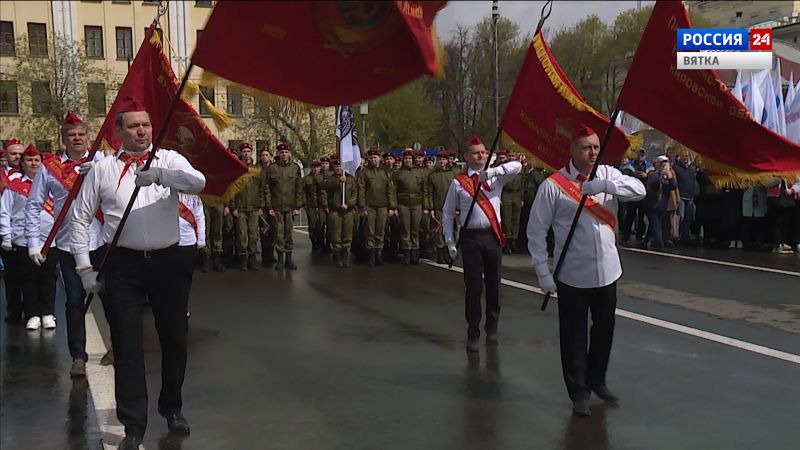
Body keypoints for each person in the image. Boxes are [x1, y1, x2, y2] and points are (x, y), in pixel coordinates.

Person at [71, 98, 206, 447]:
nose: (142, 131)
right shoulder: (103, 169)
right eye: (133, 125)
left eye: (146, 124)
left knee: (174, 338)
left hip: (168, 262)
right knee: (127, 345)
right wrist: (84, 268)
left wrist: (161, 175)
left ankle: (171, 406)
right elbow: (80, 218)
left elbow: (198, 182)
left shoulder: (168, 159)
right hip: (123, 265)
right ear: (119, 131)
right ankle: (133, 426)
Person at [527, 124, 645, 417]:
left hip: (607, 270)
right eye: (586, 147)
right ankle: (578, 391)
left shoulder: (607, 174)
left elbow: (640, 190)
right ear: (572, 150)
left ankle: (597, 379)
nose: (592, 153)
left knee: (604, 329)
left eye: (595, 147)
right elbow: (536, 232)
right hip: (572, 273)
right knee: (574, 335)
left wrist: (606, 187)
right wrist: (543, 273)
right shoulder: (553, 185)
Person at [24, 112, 106, 377]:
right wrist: (34, 243)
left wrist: (100, 173)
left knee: (112, 298)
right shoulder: (49, 168)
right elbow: (33, 205)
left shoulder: (101, 160)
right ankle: (78, 356)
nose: (77, 138)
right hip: (68, 246)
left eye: (81, 134)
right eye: (72, 135)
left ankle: (118, 347)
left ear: (88, 137)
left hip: (100, 241)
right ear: (64, 139)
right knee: (74, 302)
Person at [442, 136, 521, 352]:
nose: (481, 155)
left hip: (492, 236)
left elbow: (518, 166)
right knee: (474, 286)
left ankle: (492, 324)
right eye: (476, 152)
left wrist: (494, 172)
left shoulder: (495, 178)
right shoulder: (459, 182)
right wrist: (449, 241)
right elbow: (447, 213)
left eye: (484, 152)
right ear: (466, 157)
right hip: (471, 239)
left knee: (494, 284)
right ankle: (473, 331)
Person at [1, 144, 58, 332]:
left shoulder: (52, 185)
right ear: (22, 164)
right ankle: (32, 314)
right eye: (29, 160)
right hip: (23, 240)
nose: (33, 163)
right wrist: (6, 235)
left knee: (48, 277)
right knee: (28, 278)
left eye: (36, 160)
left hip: (49, 240)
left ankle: (48, 312)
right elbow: (5, 212)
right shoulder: (14, 186)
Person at [263, 142, 303, 270]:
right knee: (278, 234)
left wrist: (297, 207)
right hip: (277, 208)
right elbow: (267, 189)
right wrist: (269, 207)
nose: (284, 155)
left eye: (286, 152)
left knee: (289, 234)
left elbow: (299, 188)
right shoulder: (272, 168)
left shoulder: (295, 168)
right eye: (281, 152)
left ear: (290, 154)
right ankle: (280, 259)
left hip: (290, 207)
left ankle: (289, 259)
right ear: (278, 154)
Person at [357, 149, 396, 266]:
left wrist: (392, 207)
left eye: (375, 157)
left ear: (380, 158)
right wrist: (362, 207)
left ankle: (379, 255)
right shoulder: (364, 172)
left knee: (380, 231)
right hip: (370, 206)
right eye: (371, 157)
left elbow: (390, 190)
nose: (373, 159)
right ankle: (371, 256)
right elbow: (361, 190)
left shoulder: (385, 172)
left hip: (383, 206)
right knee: (370, 231)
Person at [1, 138, 24, 324]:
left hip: (24, 231)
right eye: (13, 153)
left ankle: (34, 309)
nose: (17, 157)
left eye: (19, 154)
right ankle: (14, 309)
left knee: (30, 273)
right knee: (10, 273)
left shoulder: (32, 174)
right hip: (3, 229)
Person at [231, 143, 264, 271]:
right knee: (242, 235)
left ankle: (252, 259)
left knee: (253, 235)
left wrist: (261, 206)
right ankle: (243, 260)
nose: (246, 154)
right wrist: (233, 207)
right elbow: (232, 190)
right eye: (244, 151)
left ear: (251, 153)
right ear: (241, 153)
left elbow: (262, 189)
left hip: (254, 208)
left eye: (248, 151)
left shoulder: (257, 170)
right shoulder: (237, 169)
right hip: (241, 208)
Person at [320, 158, 358, 267]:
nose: (338, 168)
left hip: (347, 211)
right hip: (335, 210)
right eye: (336, 166)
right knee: (336, 234)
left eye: (340, 166)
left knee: (347, 234)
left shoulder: (350, 179)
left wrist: (348, 204)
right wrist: (325, 205)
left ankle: (345, 256)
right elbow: (324, 192)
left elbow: (355, 193)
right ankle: (337, 256)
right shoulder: (329, 179)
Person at [394, 149, 427, 265]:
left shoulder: (420, 172)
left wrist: (426, 207)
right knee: (405, 229)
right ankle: (406, 252)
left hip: (417, 204)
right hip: (403, 204)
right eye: (406, 158)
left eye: (410, 158)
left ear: (413, 160)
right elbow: (393, 191)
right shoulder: (398, 173)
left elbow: (425, 191)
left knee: (415, 229)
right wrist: (394, 207)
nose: (408, 160)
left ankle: (415, 252)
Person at [640, 156, 678, 250]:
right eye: (663, 166)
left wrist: (670, 178)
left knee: (653, 225)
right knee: (655, 224)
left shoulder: (669, 177)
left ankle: (645, 241)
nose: (665, 168)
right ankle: (659, 243)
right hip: (651, 205)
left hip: (662, 205)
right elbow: (652, 183)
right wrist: (661, 176)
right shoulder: (654, 174)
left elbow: (673, 186)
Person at [177, 192, 205, 317]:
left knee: (185, 279)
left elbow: (200, 218)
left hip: (188, 243)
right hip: (169, 243)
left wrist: (201, 240)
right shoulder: (166, 193)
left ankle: (182, 306)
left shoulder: (195, 198)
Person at [425, 151, 455, 263]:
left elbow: (457, 191)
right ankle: (440, 253)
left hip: (450, 207)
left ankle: (448, 254)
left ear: (447, 161)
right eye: (440, 160)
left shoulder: (452, 174)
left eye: (444, 159)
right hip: (438, 207)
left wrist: (458, 207)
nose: (442, 162)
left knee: (450, 231)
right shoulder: (432, 176)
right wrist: (430, 208)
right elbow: (429, 193)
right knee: (438, 231)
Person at [620, 149, 651, 245]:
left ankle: (639, 237)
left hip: (644, 194)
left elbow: (653, 176)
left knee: (642, 217)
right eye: (639, 154)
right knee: (630, 216)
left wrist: (646, 175)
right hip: (632, 194)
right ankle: (625, 237)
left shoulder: (649, 166)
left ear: (645, 156)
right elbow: (623, 175)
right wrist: (632, 174)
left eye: (642, 155)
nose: (640, 156)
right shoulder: (629, 165)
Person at [672, 148, 698, 244]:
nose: (685, 158)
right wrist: (677, 196)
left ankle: (685, 236)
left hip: (690, 197)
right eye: (683, 156)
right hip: (681, 197)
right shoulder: (676, 168)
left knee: (688, 218)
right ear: (680, 157)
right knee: (680, 217)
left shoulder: (691, 169)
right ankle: (677, 236)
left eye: (687, 156)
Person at [304, 160, 321, 253]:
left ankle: (322, 243)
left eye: (317, 167)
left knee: (321, 224)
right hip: (310, 205)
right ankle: (314, 242)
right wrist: (305, 204)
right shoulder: (307, 179)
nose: (315, 169)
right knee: (312, 224)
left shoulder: (323, 178)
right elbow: (302, 192)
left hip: (322, 205)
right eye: (314, 167)